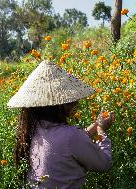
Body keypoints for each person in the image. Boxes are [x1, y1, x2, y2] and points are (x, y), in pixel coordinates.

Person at [7, 60, 115, 189]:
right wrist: (102, 131)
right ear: (59, 105)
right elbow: (103, 163)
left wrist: (96, 125)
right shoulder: (70, 136)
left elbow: (66, 144)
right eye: (70, 101)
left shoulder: (32, 131)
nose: (75, 104)